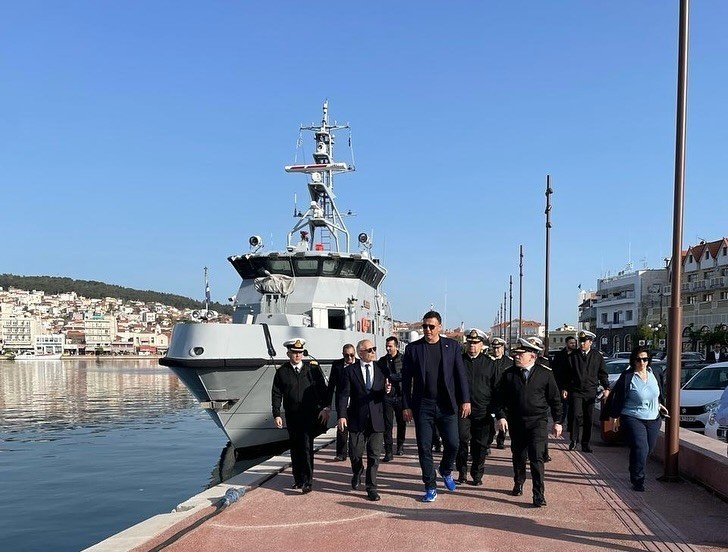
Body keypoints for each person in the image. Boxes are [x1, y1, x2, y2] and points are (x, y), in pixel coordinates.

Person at [402, 310, 471, 502]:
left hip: (446, 404)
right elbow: (406, 381)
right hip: (423, 406)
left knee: (454, 443)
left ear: (439, 327)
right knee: (424, 447)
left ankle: (446, 469)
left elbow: (460, 375)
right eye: (424, 326)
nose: (427, 330)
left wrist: (465, 400)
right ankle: (430, 486)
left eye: (431, 326)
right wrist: (406, 406)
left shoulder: (452, 346)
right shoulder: (413, 349)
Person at [494, 338, 562, 507]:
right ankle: (519, 481)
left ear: (532, 356)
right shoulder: (509, 374)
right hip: (516, 421)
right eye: (515, 354)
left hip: (538, 421)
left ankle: (538, 494)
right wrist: (501, 416)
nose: (516, 356)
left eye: (520, 354)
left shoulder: (545, 374)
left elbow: (555, 400)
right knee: (518, 455)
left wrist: (558, 421)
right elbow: (499, 399)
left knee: (537, 457)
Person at [271, 338, 330, 493]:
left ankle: (307, 482)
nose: (297, 355)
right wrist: (276, 414)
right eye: (294, 352)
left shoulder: (312, 370)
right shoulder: (282, 372)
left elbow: (323, 390)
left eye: (300, 352)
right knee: (295, 448)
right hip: (292, 416)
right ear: (288, 353)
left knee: (306, 447)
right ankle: (298, 480)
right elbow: (276, 393)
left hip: (309, 415)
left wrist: (326, 408)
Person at [607, 346, 669, 491]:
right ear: (633, 360)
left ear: (649, 360)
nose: (642, 362)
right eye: (638, 359)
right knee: (641, 447)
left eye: (645, 359)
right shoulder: (628, 376)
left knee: (648, 449)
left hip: (653, 418)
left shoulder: (655, 373)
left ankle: (634, 465)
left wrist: (659, 404)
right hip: (632, 417)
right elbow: (618, 397)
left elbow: (658, 392)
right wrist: (614, 417)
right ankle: (638, 480)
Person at [337, 339, 390, 501]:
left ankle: (371, 487)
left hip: (376, 419)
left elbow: (388, 389)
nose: (373, 352)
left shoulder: (381, 368)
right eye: (369, 350)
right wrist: (341, 415)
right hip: (356, 418)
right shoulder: (350, 371)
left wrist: (388, 389)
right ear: (360, 353)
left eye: (374, 349)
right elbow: (343, 395)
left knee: (374, 455)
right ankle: (357, 470)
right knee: (355, 453)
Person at [457, 329, 498, 485]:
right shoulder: (459, 361)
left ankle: (477, 473)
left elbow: (496, 388)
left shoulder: (490, 363)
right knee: (461, 440)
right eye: (470, 343)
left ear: (481, 345)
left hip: (483, 410)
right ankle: (462, 472)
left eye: (475, 343)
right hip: (462, 409)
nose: (472, 346)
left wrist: (494, 411)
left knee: (480, 444)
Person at [564, 330, 610, 453]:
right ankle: (574, 440)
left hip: (590, 391)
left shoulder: (597, 356)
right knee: (575, 415)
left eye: (584, 341)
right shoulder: (573, 356)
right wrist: (565, 388)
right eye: (580, 341)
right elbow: (566, 374)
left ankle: (585, 443)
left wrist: (606, 387)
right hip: (576, 391)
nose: (582, 344)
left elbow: (602, 373)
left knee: (588, 418)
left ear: (590, 342)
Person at [379, 336, 407, 459]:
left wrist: (390, 377)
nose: (388, 348)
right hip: (387, 397)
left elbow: (405, 375)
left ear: (396, 346)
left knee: (401, 423)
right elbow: (379, 377)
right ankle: (388, 451)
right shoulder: (382, 361)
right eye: (386, 346)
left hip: (400, 396)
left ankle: (400, 445)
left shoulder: (404, 359)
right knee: (387, 424)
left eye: (390, 346)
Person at [328, 344, 356, 461]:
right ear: (343, 354)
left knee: (356, 427)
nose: (349, 358)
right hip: (342, 400)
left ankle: (354, 451)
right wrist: (327, 405)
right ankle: (341, 453)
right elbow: (331, 386)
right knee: (341, 427)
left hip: (356, 400)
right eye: (346, 355)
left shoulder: (359, 364)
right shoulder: (337, 365)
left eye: (351, 355)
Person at [486, 336, 511, 450]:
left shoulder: (509, 362)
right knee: (488, 421)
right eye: (494, 348)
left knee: (503, 418)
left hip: (503, 396)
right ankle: (487, 442)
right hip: (489, 395)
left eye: (498, 348)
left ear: (503, 348)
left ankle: (501, 439)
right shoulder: (487, 360)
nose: (496, 350)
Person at [552, 335, 577, 429]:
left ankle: (571, 425)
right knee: (564, 406)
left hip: (574, 385)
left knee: (573, 407)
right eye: (571, 343)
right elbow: (555, 370)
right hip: (562, 384)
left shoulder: (577, 354)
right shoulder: (560, 355)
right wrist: (560, 386)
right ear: (566, 343)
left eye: (574, 343)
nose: (573, 345)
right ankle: (560, 423)